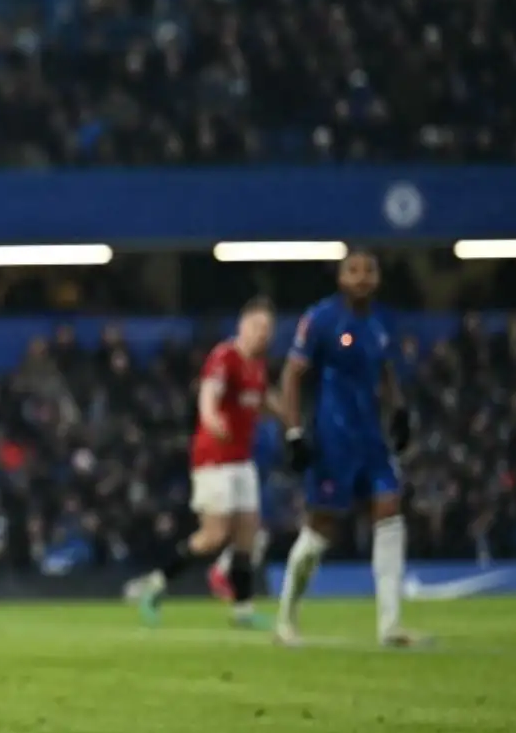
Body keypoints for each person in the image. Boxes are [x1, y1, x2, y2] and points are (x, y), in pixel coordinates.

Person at [276, 248, 421, 647]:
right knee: (321, 528)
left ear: (378, 278)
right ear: (340, 278)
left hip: (371, 439)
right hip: (331, 440)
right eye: (353, 271)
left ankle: (389, 626)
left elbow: (387, 369)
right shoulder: (322, 318)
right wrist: (293, 432)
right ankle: (287, 618)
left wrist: (400, 410)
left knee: (389, 512)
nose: (361, 278)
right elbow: (291, 375)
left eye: (368, 271)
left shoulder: (382, 321)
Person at [128, 299, 276, 626]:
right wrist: (210, 418)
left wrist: (289, 420)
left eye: (266, 329)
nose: (261, 334)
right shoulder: (225, 356)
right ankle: (155, 585)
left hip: (241, 459)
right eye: (256, 327)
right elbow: (209, 393)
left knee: (247, 535)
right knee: (213, 535)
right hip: (214, 458)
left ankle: (243, 610)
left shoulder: (258, 367)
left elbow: (262, 402)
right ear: (242, 326)